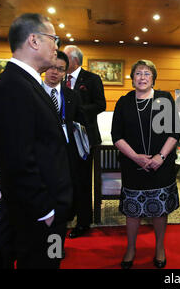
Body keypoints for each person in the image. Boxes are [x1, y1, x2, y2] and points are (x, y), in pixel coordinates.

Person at [0, 13, 72, 269]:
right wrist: (45, 211)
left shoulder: (28, 82)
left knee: (51, 261)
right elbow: (17, 160)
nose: (57, 46)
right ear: (34, 40)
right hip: (39, 212)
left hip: (49, 207)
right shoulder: (13, 86)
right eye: (53, 39)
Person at [111, 59, 180, 269]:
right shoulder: (123, 102)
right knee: (133, 211)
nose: (142, 77)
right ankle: (130, 248)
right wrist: (136, 157)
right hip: (133, 165)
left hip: (161, 165)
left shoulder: (165, 99)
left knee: (159, 211)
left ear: (153, 78)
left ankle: (160, 247)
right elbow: (117, 136)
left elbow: (174, 132)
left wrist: (160, 156)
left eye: (146, 73)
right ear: (132, 79)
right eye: (138, 73)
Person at [63, 45, 106, 238]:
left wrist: (76, 112)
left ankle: (83, 222)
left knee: (82, 180)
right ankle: (69, 211)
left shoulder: (91, 79)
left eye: (65, 57)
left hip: (84, 137)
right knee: (66, 178)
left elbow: (100, 105)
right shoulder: (61, 78)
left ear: (75, 60)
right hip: (63, 138)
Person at [44, 51, 86, 225]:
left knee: (65, 190)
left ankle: (62, 225)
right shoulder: (34, 91)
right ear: (46, 67)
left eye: (60, 69)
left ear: (65, 73)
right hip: (43, 151)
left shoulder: (72, 96)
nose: (55, 72)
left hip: (67, 151)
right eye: (52, 67)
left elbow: (81, 121)